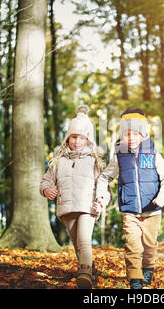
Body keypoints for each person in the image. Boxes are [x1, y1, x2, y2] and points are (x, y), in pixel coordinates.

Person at [94, 109, 164, 289]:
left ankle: (148, 268)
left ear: (142, 135)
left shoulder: (153, 155)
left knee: (149, 245)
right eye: (127, 134)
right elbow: (105, 177)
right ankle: (135, 277)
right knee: (133, 246)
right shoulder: (119, 157)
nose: (131, 137)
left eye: (135, 133)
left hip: (152, 210)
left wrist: (160, 199)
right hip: (130, 210)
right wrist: (101, 195)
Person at [39, 104, 104, 289]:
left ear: (88, 139)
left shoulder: (94, 161)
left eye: (81, 137)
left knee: (84, 239)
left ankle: (83, 272)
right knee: (77, 243)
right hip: (67, 207)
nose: (77, 141)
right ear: (68, 138)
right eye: (73, 137)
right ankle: (90, 271)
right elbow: (46, 181)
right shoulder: (59, 160)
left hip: (87, 206)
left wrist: (101, 200)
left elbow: (103, 185)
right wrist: (47, 190)